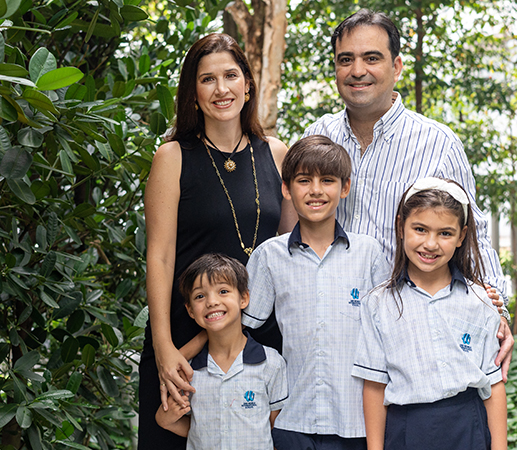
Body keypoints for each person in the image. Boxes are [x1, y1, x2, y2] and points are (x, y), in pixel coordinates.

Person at [301, 9, 514, 374]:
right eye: (345, 60)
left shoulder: (437, 142)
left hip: (412, 331)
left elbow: (473, 233)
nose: (357, 71)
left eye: (372, 58)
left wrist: (498, 312)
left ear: (397, 66)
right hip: (331, 330)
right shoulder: (318, 136)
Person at [142, 33, 296, 450]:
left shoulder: (278, 154)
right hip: (183, 331)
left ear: (248, 84)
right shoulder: (172, 156)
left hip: (258, 334)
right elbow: (159, 255)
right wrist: (163, 346)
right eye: (207, 79)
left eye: (231, 75)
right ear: (193, 92)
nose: (221, 89)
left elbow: (289, 252)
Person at [243, 135, 389, 450]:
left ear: (345, 187)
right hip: (290, 420)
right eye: (304, 180)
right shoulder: (269, 256)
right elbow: (240, 331)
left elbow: (389, 335)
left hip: (356, 423)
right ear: (286, 188)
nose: (316, 190)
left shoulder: (369, 254)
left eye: (327, 180)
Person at [352, 177, 507, 450]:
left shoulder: (481, 301)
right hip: (406, 430)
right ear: (401, 226)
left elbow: (493, 386)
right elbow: (375, 387)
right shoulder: (378, 303)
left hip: (467, 428)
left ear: (461, 236)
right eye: (420, 229)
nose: (431, 244)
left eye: (445, 233)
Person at [155, 253, 288, 449]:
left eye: (223, 291)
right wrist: (164, 419)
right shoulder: (188, 371)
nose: (212, 302)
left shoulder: (271, 363)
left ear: (244, 298)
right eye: (200, 296)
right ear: (190, 310)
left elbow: (276, 429)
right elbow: (198, 429)